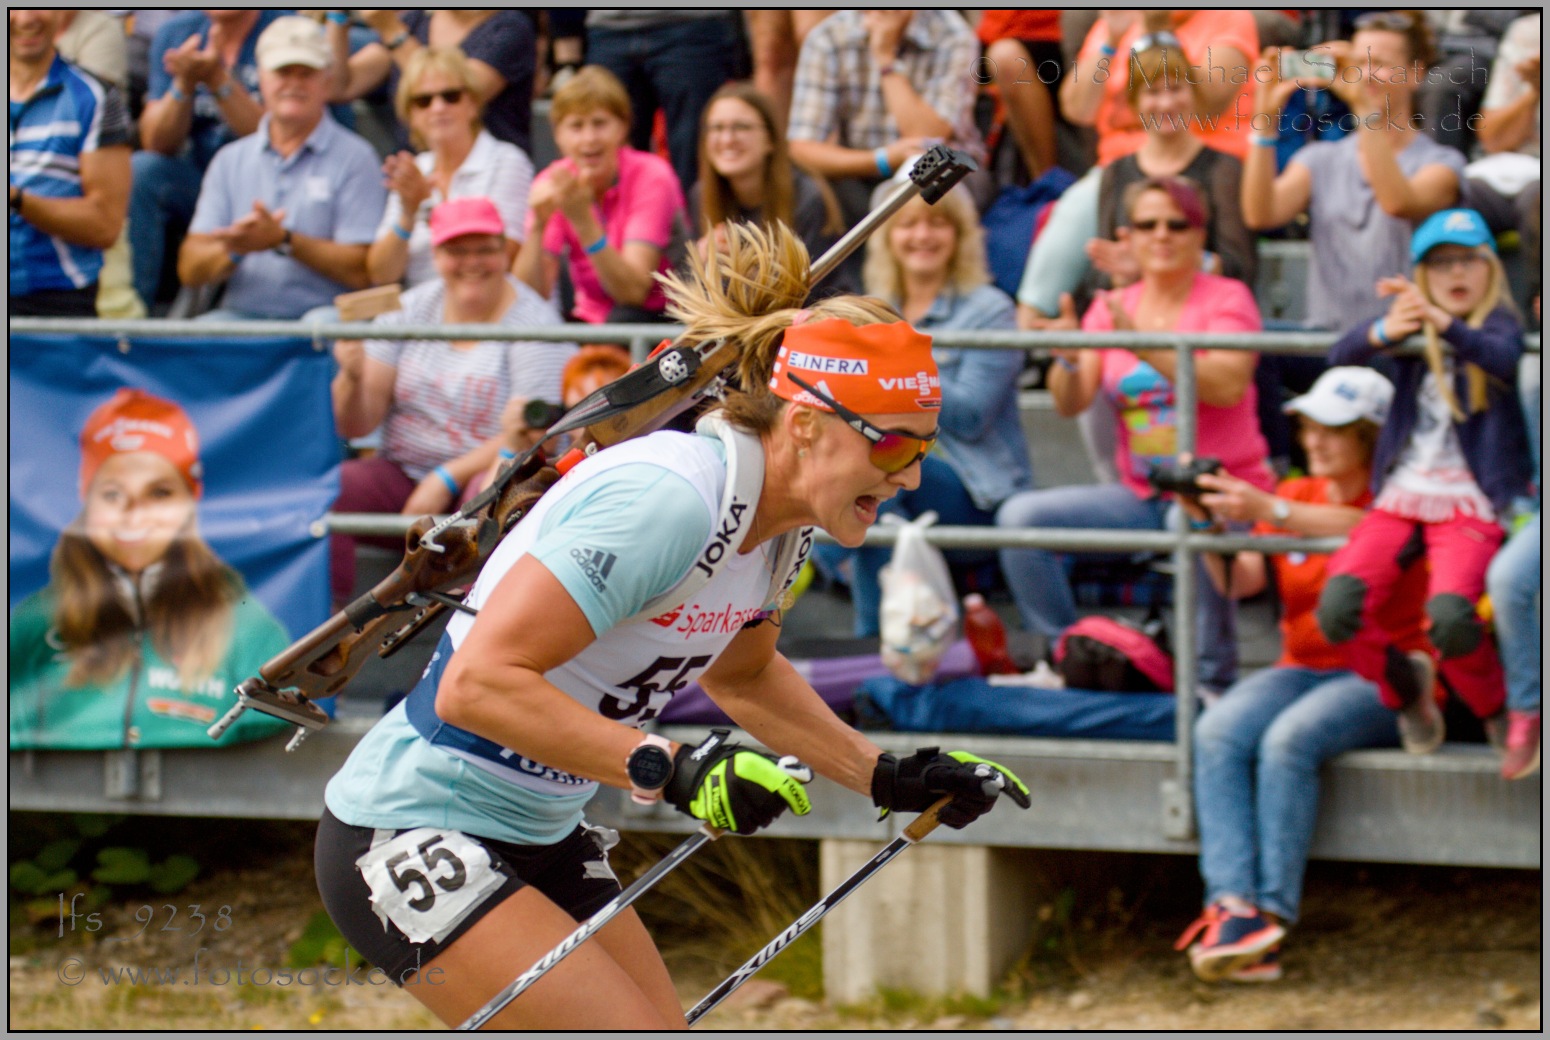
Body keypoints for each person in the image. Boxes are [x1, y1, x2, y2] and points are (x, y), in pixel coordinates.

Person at [312, 221, 1030, 1028]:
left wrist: (885, 776)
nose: (913, 475)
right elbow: (476, 687)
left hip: (540, 828)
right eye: (894, 445)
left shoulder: (777, 524)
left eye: (923, 448)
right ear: (802, 426)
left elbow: (743, 675)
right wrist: (676, 770)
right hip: (412, 822)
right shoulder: (670, 498)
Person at [1174, 366, 1415, 983]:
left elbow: (1374, 532)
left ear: (1372, 436)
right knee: (1218, 731)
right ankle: (1231, 906)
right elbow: (1243, 581)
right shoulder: (1298, 492)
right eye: (1309, 426)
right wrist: (1209, 522)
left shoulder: (1404, 494)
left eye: (1334, 429)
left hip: (1387, 674)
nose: (1316, 440)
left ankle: (1268, 920)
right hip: (1301, 665)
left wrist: (1270, 506)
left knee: (1289, 740)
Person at [996, 177, 1273, 692]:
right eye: (1148, 224)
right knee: (1020, 519)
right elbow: (1069, 401)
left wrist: (1145, 345)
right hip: (1142, 490)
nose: (1162, 235)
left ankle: (1210, 682)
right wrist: (1067, 354)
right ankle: (1064, 655)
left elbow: (1228, 385)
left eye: (1177, 223)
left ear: (1199, 234)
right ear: (1128, 237)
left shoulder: (1227, 296)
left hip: (1223, 490)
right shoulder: (1110, 306)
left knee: (1187, 521)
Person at [1316, 208, 1532, 753]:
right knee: (1339, 606)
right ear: (1420, 276)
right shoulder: (1416, 327)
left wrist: (1442, 321)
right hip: (1402, 495)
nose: (1455, 274)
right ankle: (1406, 688)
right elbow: (1339, 358)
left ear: (1490, 268)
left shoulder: (1498, 324)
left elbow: (1501, 358)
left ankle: (1493, 707)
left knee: (1451, 619)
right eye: (1439, 265)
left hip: (1471, 502)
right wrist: (1388, 327)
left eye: (1467, 261)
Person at [9, 389, 291, 751]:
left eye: (159, 493)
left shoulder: (245, 624)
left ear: (192, 499)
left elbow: (280, 725)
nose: (135, 513)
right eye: (112, 494)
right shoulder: (36, 619)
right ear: (85, 498)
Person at [329, 197, 575, 605]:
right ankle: (322, 634)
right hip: (402, 475)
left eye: (485, 249)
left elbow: (539, 438)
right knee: (328, 490)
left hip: (482, 480)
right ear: (437, 255)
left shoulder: (535, 322)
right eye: (457, 251)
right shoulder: (406, 309)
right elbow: (355, 424)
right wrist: (351, 377)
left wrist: (445, 477)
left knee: (498, 495)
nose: (471, 262)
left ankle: (464, 635)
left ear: (504, 250)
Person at [815, 183, 1031, 637]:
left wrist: (899, 357)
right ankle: (879, 662)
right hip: (896, 487)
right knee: (884, 521)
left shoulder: (989, 309)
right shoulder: (874, 311)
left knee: (884, 466)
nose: (923, 235)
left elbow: (971, 415)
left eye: (937, 222)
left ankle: (819, 557)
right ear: (888, 237)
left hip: (976, 492)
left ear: (960, 235)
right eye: (908, 223)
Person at [1017, 12, 1259, 331]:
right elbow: (1078, 109)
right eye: (1152, 93)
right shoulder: (1115, 22)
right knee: (1073, 212)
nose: (1165, 103)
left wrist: (1157, 259)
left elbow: (1238, 267)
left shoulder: (1229, 17)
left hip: (1210, 158)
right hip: (1122, 162)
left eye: (1175, 89)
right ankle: (1029, 336)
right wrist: (1112, 43)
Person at [1242, 13, 1466, 331]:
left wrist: (1365, 109)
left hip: (1406, 343)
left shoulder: (1442, 163)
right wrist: (1264, 121)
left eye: (1380, 63)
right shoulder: (1321, 158)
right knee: (1243, 340)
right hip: (1330, 342)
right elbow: (1260, 214)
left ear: (1417, 73)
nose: (1366, 76)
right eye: (1357, 63)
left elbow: (1397, 202)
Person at [178, 16, 386, 322]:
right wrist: (234, 248)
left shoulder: (357, 157)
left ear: (327, 80)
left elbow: (366, 271)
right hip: (242, 315)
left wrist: (284, 240)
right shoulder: (230, 159)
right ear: (261, 78)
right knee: (204, 332)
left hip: (326, 315)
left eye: (307, 73)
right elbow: (190, 268)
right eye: (283, 71)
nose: (294, 83)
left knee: (322, 325)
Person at [512, 66, 687, 325]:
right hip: (590, 324)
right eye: (576, 126)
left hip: (658, 323)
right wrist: (538, 226)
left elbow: (633, 293)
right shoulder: (555, 180)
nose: (589, 138)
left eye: (600, 123)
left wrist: (583, 222)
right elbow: (530, 297)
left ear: (623, 127)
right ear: (558, 135)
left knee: (623, 318)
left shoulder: (652, 175)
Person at [132, 10, 281, 311]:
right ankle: (133, 323)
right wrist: (184, 85)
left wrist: (217, 80)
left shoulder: (283, 28)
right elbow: (157, 142)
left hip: (270, 188)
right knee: (143, 170)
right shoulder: (177, 33)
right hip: (198, 179)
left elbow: (283, 138)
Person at [787, 10, 984, 224]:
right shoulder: (827, 36)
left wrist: (885, 59)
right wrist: (882, 159)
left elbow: (927, 137)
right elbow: (802, 147)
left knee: (932, 195)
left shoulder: (954, 35)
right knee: (811, 193)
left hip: (942, 167)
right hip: (861, 170)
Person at [367, 47, 533, 289]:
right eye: (423, 101)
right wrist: (408, 214)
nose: (438, 107)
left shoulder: (506, 160)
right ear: (410, 115)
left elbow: (505, 256)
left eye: (450, 96)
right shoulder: (414, 171)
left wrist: (431, 213)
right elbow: (382, 274)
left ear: (473, 104)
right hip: (421, 311)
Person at [9, 8, 132, 318]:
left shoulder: (95, 98)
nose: (25, 18)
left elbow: (105, 226)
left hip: (57, 298)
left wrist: (17, 200)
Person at [689, 82, 852, 296]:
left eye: (741, 127)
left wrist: (745, 269)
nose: (727, 139)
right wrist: (704, 265)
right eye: (717, 128)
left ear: (771, 140)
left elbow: (811, 292)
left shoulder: (806, 197)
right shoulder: (700, 195)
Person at [326, 10, 537, 155]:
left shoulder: (510, 28)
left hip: (487, 174)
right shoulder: (416, 21)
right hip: (416, 170)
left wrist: (391, 29)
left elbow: (460, 91)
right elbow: (338, 87)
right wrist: (338, 16)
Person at [584, 10, 742, 192]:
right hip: (608, 27)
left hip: (694, 23)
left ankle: (697, 220)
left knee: (694, 156)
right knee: (606, 156)